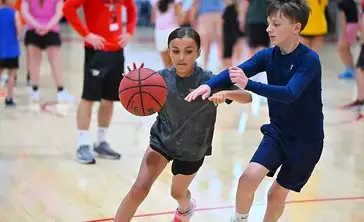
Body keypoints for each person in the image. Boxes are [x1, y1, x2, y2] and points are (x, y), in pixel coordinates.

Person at [185, 0, 324, 221]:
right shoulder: (267, 56)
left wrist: (248, 85)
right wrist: (209, 85)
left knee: (276, 195)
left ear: (296, 28)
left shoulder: (309, 60)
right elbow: (235, 72)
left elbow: (289, 93)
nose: (269, 29)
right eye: (269, 23)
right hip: (278, 132)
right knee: (247, 178)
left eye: (276, 24)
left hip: (306, 141)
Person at [113, 27, 252, 222]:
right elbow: (139, 99)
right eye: (175, 51)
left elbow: (247, 97)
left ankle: (186, 208)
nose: (181, 57)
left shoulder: (210, 80)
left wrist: (226, 94)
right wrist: (134, 86)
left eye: (188, 51)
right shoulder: (158, 79)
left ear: (198, 53)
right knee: (139, 188)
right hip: (161, 141)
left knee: (177, 193)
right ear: (168, 51)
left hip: (193, 149)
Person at [62, 0, 137, 164]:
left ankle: (101, 142)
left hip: (116, 51)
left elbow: (131, 8)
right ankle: (82, 144)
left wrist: (129, 32)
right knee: (88, 98)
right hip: (96, 51)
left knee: (109, 99)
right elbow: (68, 8)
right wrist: (86, 34)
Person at [21, 0, 73, 102]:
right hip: (52, 30)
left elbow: (25, 12)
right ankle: (60, 91)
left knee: (34, 63)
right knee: (55, 62)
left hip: (33, 30)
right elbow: (60, 12)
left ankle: (34, 91)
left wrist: (36, 25)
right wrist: (48, 26)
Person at [0, 0, 21, 107]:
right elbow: (19, 30)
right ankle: (9, 98)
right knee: (11, 74)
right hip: (12, 49)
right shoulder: (15, 13)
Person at [151, 0, 184, 67]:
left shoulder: (155, 1)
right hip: (173, 32)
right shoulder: (176, 1)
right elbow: (180, 19)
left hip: (160, 33)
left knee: (166, 65)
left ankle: (168, 77)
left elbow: (153, 18)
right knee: (176, 64)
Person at [337, 0, 360, 79]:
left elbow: (343, 19)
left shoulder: (341, 3)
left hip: (348, 27)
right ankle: (351, 70)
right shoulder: (352, 2)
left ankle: (350, 70)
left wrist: (343, 33)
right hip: (355, 26)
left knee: (341, 49)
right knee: (346, 49)